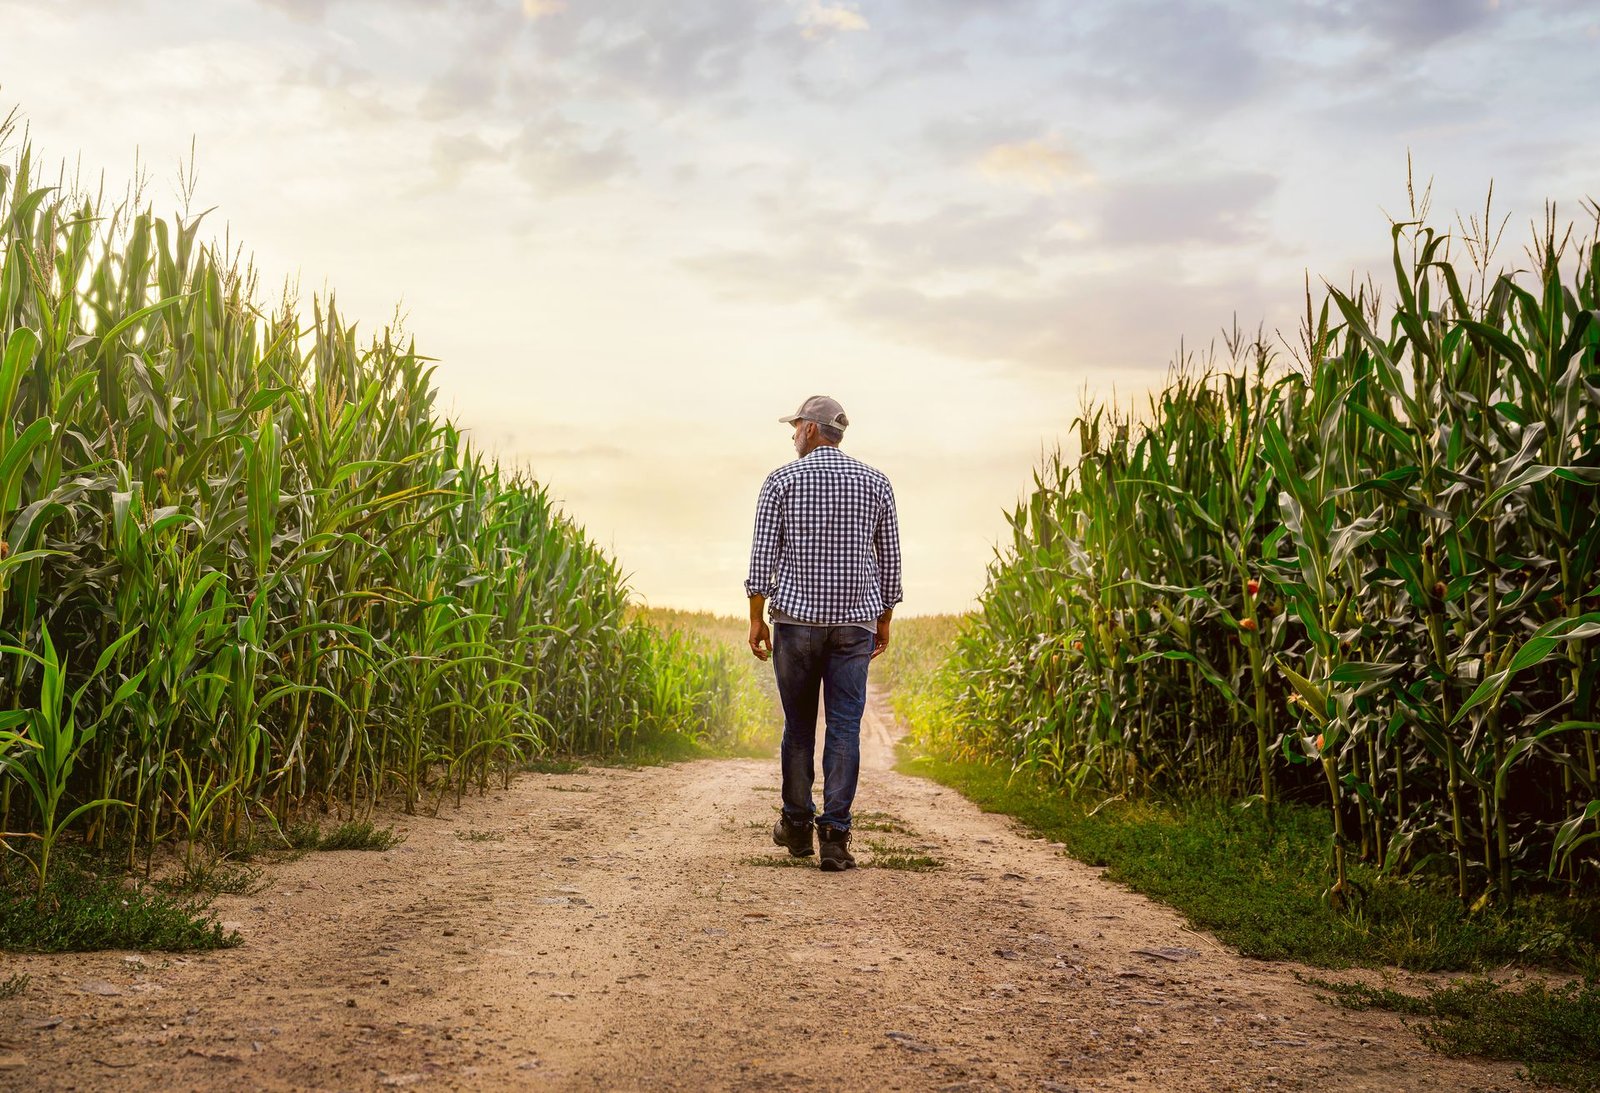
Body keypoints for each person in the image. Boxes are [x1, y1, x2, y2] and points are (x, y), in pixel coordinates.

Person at [745, 395, 902, 872]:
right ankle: (834, 836)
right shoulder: (876, 482)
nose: (793, 435)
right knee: (844, 728)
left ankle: (796, 826)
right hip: (854, 624)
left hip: (795, 624)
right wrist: (884, 618)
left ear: (812, 430)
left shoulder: (781, 480)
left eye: (795, 427)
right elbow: (889, 559)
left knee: (798, 727)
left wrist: (756, 617)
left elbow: (762, 557)